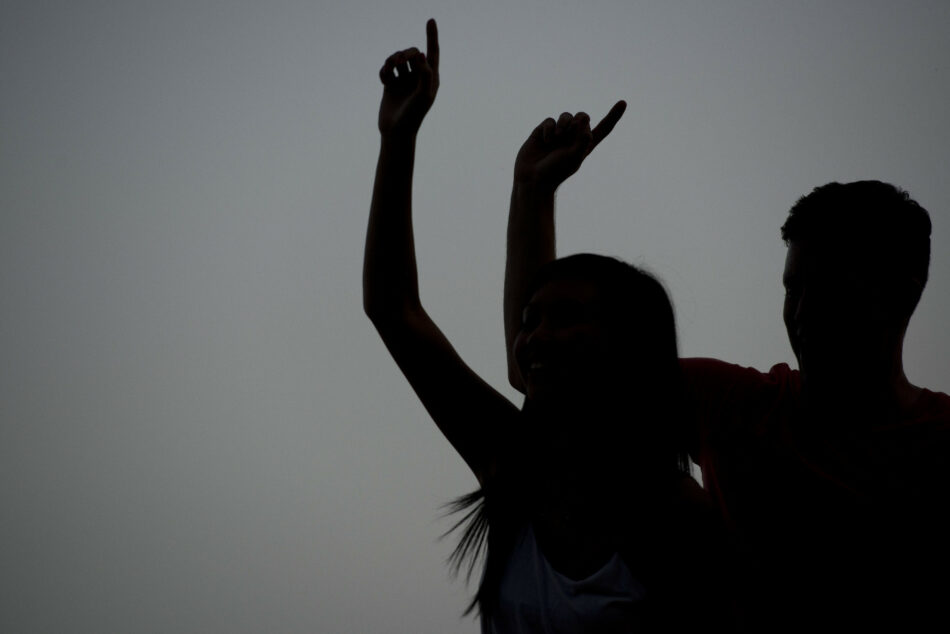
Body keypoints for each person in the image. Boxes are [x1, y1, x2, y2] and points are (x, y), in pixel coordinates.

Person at [503, 110, 950, 630]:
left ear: (902, 292)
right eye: (792, 289)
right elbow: (547, 379)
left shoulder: (939, 444)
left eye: (827, 290)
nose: (801, 313)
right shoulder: (734, 405)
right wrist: (533, 189)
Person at [364, 20, 734, 632]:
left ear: (628, 346)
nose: (534, 337)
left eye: (566, 319)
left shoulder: (677, 519)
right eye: (529, 320)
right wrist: (396, 139)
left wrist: (531, 191)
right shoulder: (515, 467)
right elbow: (394, 308)